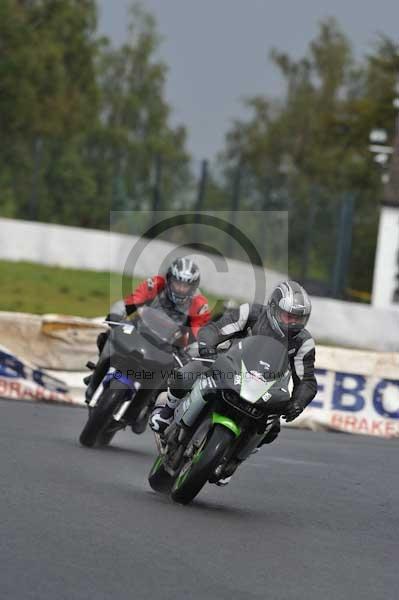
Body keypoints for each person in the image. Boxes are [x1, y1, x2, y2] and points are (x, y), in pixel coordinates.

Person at [150, 280, 317, 483]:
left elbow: (306, 380)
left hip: (266, 384)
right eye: (288, 316)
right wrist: (207, 347)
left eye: (298, 319)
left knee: (272, 428)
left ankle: (232, 460)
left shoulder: (303, 342)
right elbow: (215, 329)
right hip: (228, 363)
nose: (292, 323)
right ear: (273, 307)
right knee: (188, 372)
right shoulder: (252, 313)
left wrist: (298, 402)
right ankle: (167, 411)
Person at [96, 257, 211, 354]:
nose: (180, 289)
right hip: (140, 333)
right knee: (106, 338)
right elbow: (129, 302)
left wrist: (191, 350)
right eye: (177, 283)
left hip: (170, 348)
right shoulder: (155, 284)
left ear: (193, 287)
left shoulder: (199, 304)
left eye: (185, 286)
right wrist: (116, 315)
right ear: (169, 280)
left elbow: (198, 335)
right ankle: (98, 372)